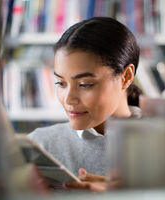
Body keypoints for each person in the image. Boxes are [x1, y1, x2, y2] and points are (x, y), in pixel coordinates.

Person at [28, 17, 141, 192]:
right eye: (61, 83)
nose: (68, 99)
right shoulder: (40, 145)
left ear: (126, 77)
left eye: (85, 84)